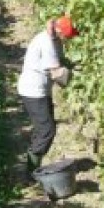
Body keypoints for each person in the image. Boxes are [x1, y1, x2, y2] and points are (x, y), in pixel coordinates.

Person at [17, 15, 79, 173]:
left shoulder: (55, 40)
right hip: (33, 91)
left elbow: (60, 61)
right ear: (60, 32)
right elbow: (57, 74)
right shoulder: (46, 43)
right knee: (47, 130)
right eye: (68, 36)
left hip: (42, 90)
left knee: (42, 129)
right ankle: (31, 169)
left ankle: (32, 168)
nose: (69, 39)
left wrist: (73, 65)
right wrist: (73, 77)